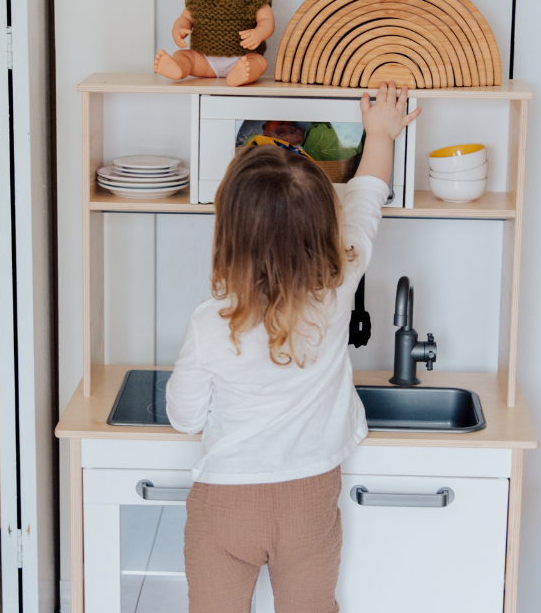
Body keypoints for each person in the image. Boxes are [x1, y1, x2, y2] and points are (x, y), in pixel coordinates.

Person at [166, 82, 421, 613]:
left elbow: (185, 419)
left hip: (226, 502)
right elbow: (367, 201)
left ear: (227, 233)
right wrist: (380, 133)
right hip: (310, 498)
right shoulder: (338, 286)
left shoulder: (212, 322)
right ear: (324, 226)